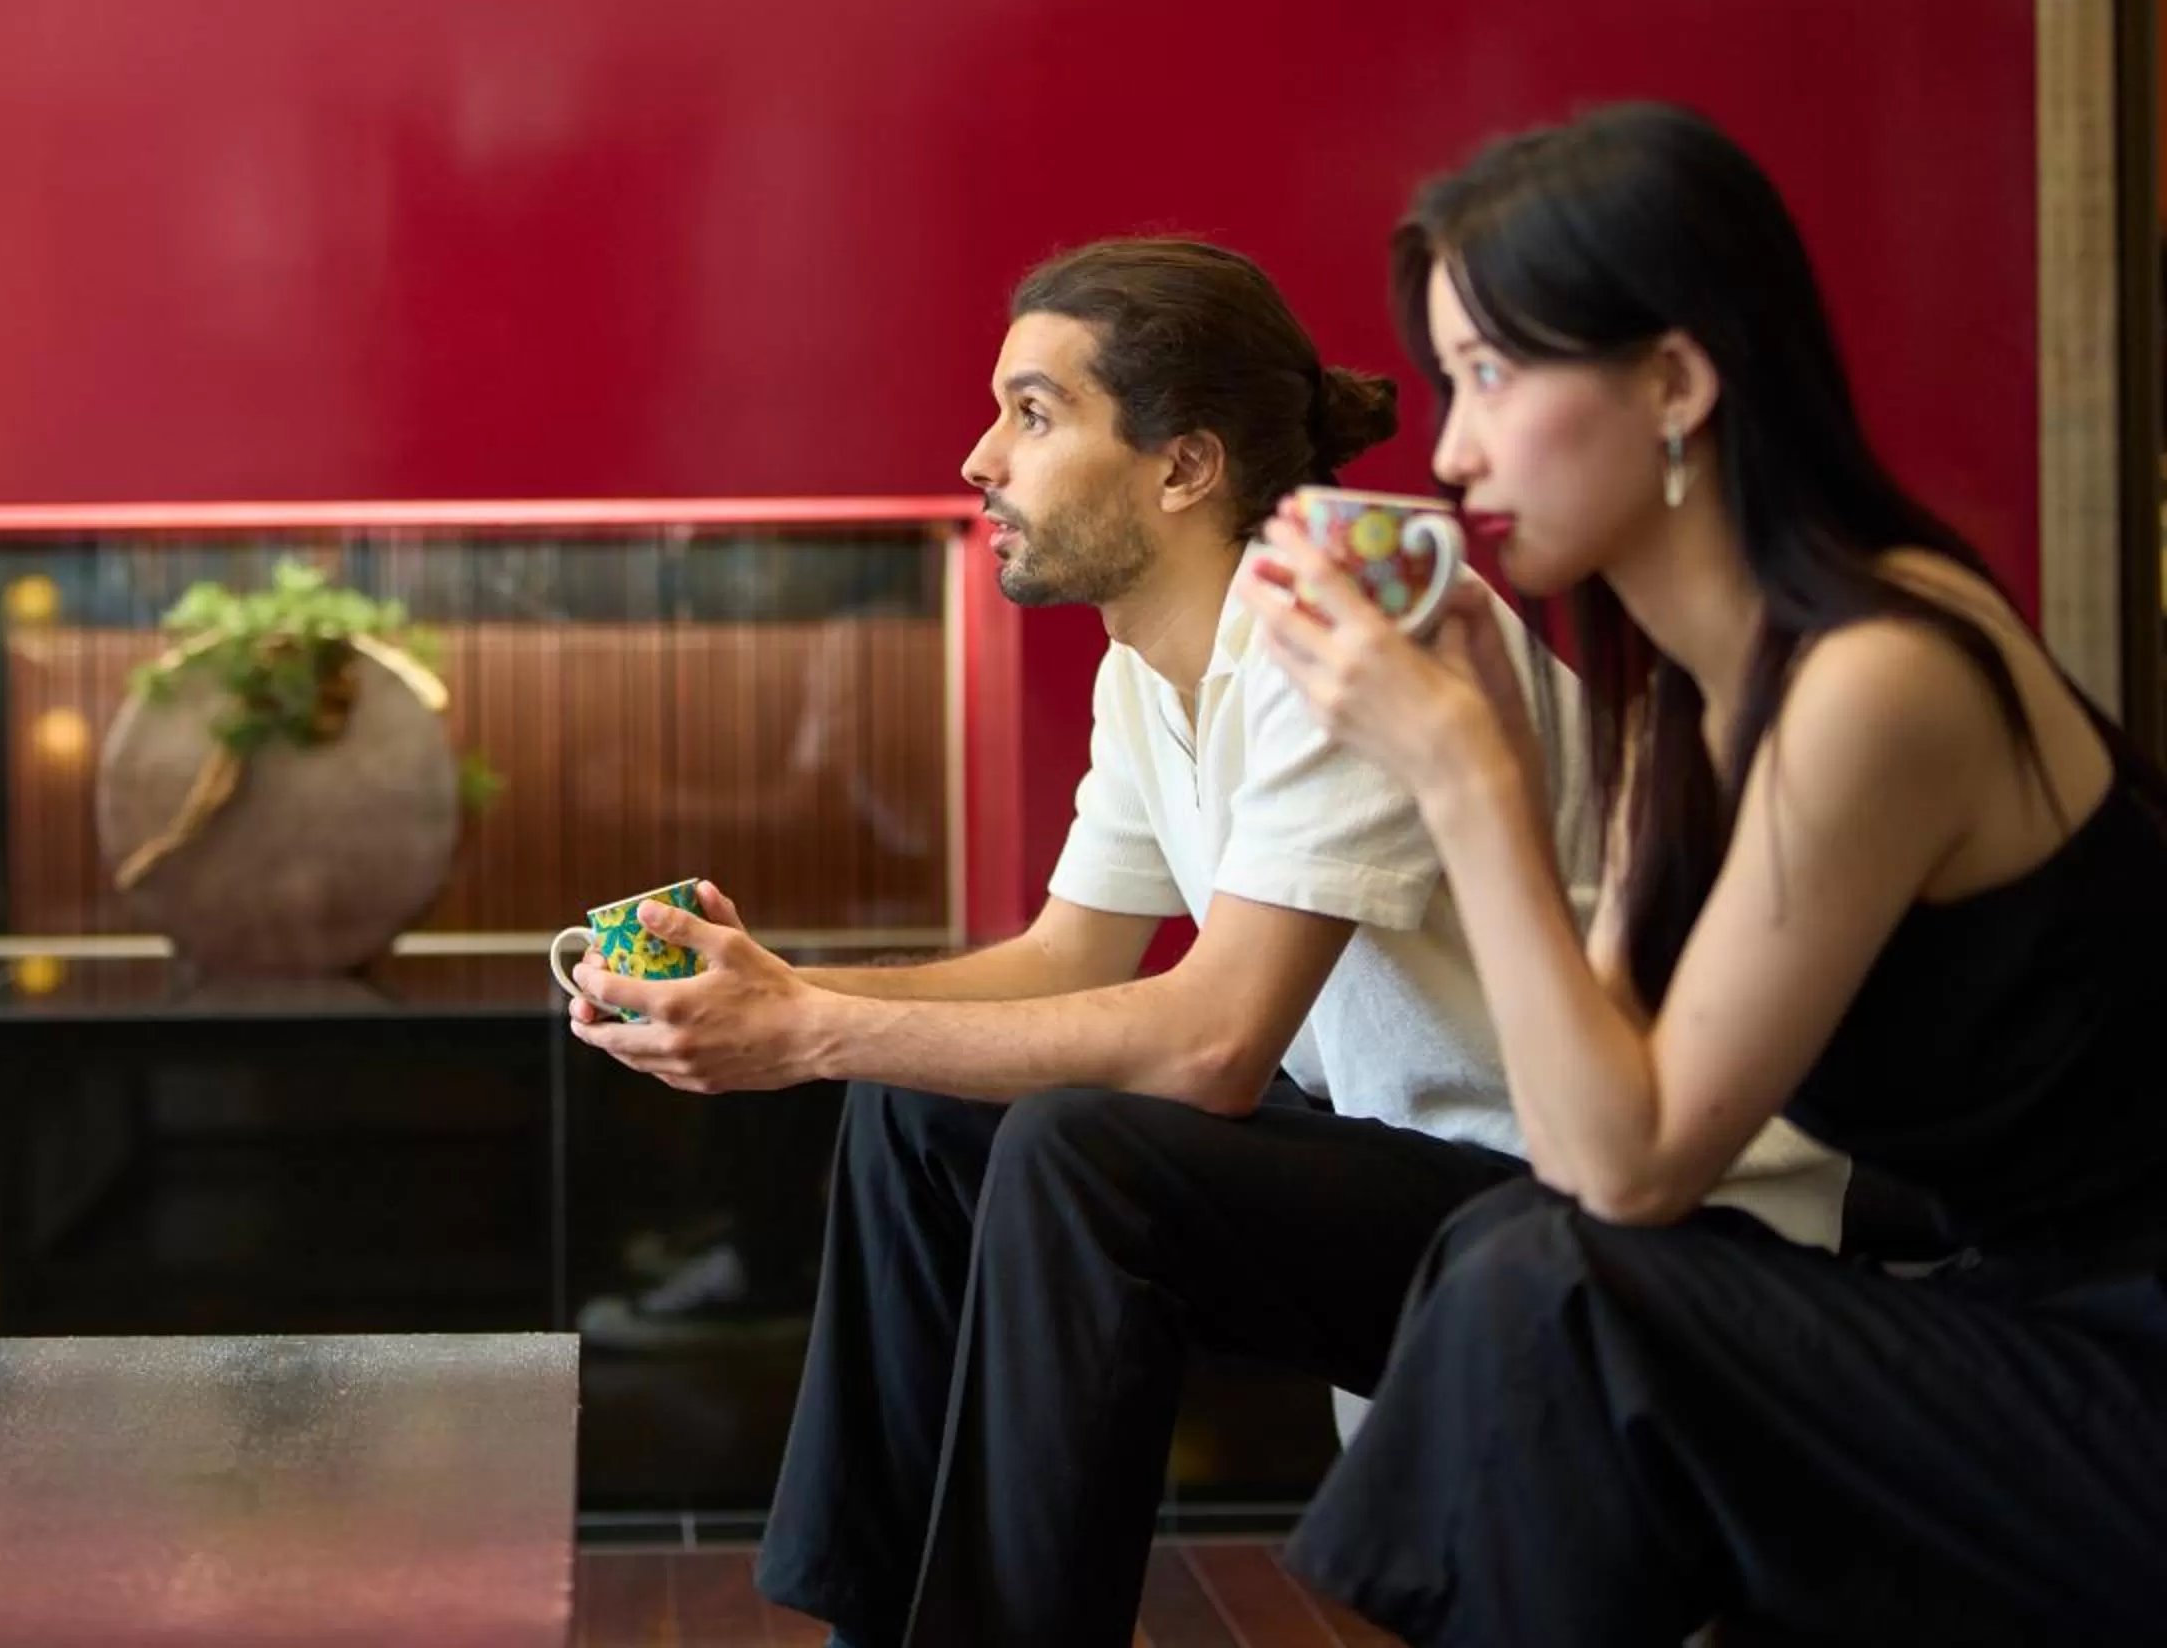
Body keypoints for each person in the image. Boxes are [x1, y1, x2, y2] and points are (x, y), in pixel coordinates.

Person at [562, 235, 1844, 1648]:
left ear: (1184, 467)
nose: (982, 460)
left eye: (1034, 414)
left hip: (1633, 1213)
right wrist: (775, 992)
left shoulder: (1352, 626)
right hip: (1438, 1176)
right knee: (920, 1105)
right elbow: (1066, 961)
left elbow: (1218, 1045)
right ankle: (876, 1631)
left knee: (1081, 1151)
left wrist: (803, 1033)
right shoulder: (1147, 670)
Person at [1248, 103, 2167, 1644]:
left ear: (1675, 383)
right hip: (2023, 1318)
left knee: (1554, 1286)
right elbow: (1583, 1132)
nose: (1454, 451)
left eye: (1491, 376)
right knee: (1508, 1249)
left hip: (2122, 1368)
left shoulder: (1878, 677)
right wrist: (1503, 759)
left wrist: (1467, 784)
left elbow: (1631, 1172)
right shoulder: (1696, 694)